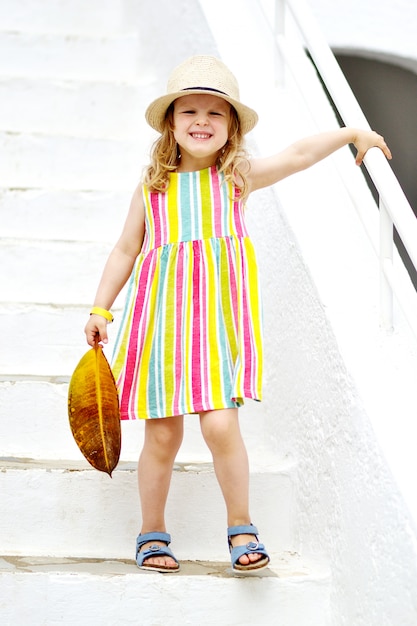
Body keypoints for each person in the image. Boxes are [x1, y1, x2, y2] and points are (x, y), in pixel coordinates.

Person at [84, 55, 392, 574]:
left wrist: (351, 133)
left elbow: (296, 155)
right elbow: (124, 250)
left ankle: (241, 527)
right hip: (159, 328)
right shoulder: (152, 187)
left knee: (222, 427)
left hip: (213, 331)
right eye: (190, 111)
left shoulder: (237, 177)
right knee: (162, 435)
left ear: (230, 128)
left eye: (215, 113)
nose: (201, 121)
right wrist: (101, 308)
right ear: (171, 123)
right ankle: (151, 533)